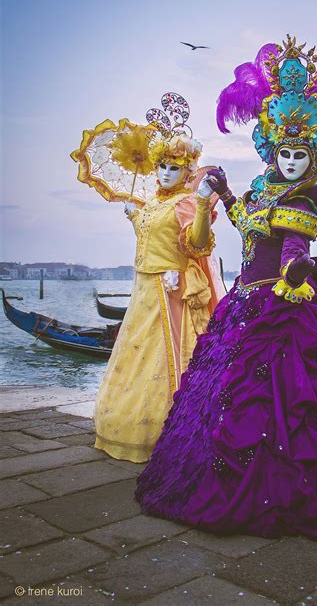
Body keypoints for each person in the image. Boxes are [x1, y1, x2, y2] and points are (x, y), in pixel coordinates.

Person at [135, 37, 317, 540]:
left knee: (291, 398)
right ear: (271, 151)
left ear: (313, 157)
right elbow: (247, 224)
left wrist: (295, 272)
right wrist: (224, 194)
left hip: (282, 306)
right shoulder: (261, 191)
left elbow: (293, 245)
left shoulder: (304, 198)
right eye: (284, 152)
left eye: (301, 154)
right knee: (228, 395)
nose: (291, 161)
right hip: (245, 302)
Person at [93, 130, 226, 462]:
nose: (166, 173)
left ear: (186, 171)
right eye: (162, 166)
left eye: (174, 168)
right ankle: (125, 426)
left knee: (168, 359)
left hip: (170, 292)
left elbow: (196, 243)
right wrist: (134, 216)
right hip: (143, 291)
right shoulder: (151, 202)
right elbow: (149, 236)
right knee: (135, 354)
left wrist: (200, 206)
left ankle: (169, 433)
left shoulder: (184, 202)